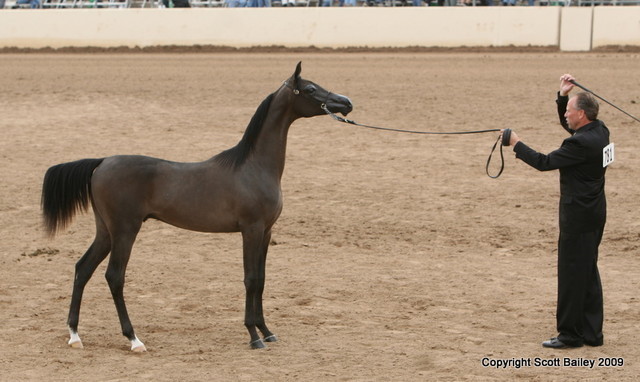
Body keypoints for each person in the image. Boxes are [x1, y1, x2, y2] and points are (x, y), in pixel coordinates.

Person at [501, 73, 610, 349]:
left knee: (572, 273)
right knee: (587, 271)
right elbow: (573, 131)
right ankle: (591, 333)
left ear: (582, 114)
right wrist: (563, 97)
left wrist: (516, 142)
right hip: (595, 213)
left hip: (577, 218)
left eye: (570, 111)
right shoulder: (600, 131)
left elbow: (544, 162)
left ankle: (570, 335)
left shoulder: (580, 144)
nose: (566, 116)